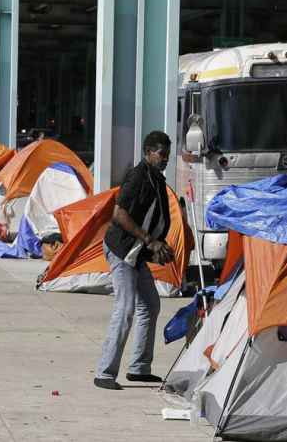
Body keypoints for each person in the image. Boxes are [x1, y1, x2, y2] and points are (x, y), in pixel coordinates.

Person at [94, 130, 174, 391]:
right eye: (161, 154)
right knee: (125, 308)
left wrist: (158, 248)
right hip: (121, 251)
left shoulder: (157, 180)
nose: (165, 159)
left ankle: (139, 368)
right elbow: (119, 215)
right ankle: (104, 373)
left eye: (167, 155)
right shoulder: (137, 176)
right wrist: (150, 240)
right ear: (147, 152)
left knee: (150, 305)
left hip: (137, 253)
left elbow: (155, 219)